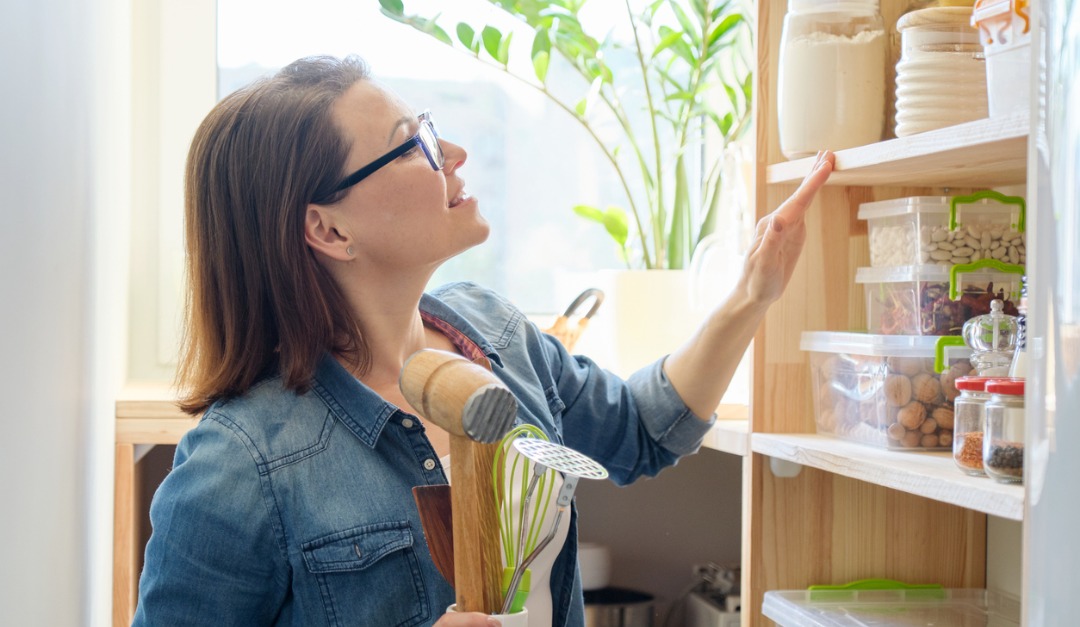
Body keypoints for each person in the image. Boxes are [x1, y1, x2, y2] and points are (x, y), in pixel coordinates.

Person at [132, 54, 834, 627]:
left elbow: (642, 430)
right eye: (412, 145)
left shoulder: (496, 334)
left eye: (427, 128)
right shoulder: (239, 463)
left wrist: (752, 293)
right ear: (329, 230)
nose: (455, 154)